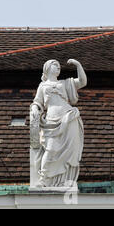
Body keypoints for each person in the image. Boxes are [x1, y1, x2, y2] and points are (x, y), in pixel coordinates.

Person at [30, 59, 87, 188]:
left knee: (69, 151)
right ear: (47, 68)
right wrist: (34, 108)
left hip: (69, 117)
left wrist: (78, 65)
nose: (58, 68)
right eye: (55, 65)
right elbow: (37, 102)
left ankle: (65, 180)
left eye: (59, 66)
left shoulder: (65, 83)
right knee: (50, 149)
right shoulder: (43, 86)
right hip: (51, 120)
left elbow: (83, 82)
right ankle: (44, 178)